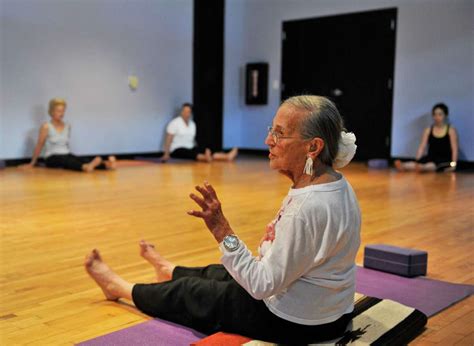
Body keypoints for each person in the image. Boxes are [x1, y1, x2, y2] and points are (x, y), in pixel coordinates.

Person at [85, 95, 361, 344]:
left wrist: (221, 229)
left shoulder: (308, 207)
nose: (268, 141)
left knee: (191, 293)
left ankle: (120, 288)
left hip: (299, 322)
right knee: (218, 274)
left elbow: (261, 285)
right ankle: (168, 269)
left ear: (313, 146)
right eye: (271, 130)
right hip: (330, 310)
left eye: (280, 134)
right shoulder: (335, 183)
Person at [23, 98, 116, 172]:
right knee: (65, 161)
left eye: (63, 111)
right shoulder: (46, 126)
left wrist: (70, 155)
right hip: (52, 157)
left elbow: (65, 145)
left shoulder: (68, 126)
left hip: (66, 154)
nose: (62, 114)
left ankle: (106, 165)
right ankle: (85, 167)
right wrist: (32, 163)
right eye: (59, 111)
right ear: (52, 112)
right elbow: (40, 144)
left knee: (78, 159)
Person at [161, 103, 238, 162]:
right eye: (185, 111)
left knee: (204, 149)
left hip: (190, 147)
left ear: (190, 113)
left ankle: (227, 156)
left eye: (189, 112)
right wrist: (166, 154)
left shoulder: (192, 124)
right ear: (182, 112)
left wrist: (201, 148)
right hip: (177, 149)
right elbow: (169, 139)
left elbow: (193, 139)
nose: (187, 114)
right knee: (188, 153)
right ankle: (205, 158)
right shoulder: (174, 123)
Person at [395, 103, 458, 173]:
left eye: (440, 114)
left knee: (431, 165)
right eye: (435, 114)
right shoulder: (428, 130)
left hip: (445, 159)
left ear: (445, 115)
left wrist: (453, 165)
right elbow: (422, 146)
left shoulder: (451, 130)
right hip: (431, 157)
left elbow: (454, 149)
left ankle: (423, 168)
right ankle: (403, 165)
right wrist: (417, 161)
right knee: (418, 163)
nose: (437, 117)